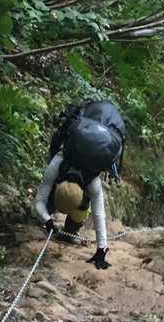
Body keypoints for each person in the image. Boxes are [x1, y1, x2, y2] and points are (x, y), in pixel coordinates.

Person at [33, 100, 126, 269]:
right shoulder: (58, 163)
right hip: (96, 128)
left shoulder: (92, 182)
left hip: (99, 127)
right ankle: (66, 225)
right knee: (59, 204)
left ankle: (70, 230)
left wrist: (102, 250)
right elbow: (39, 201)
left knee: (83, 205)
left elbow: (98, 214)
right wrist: (48, 221)